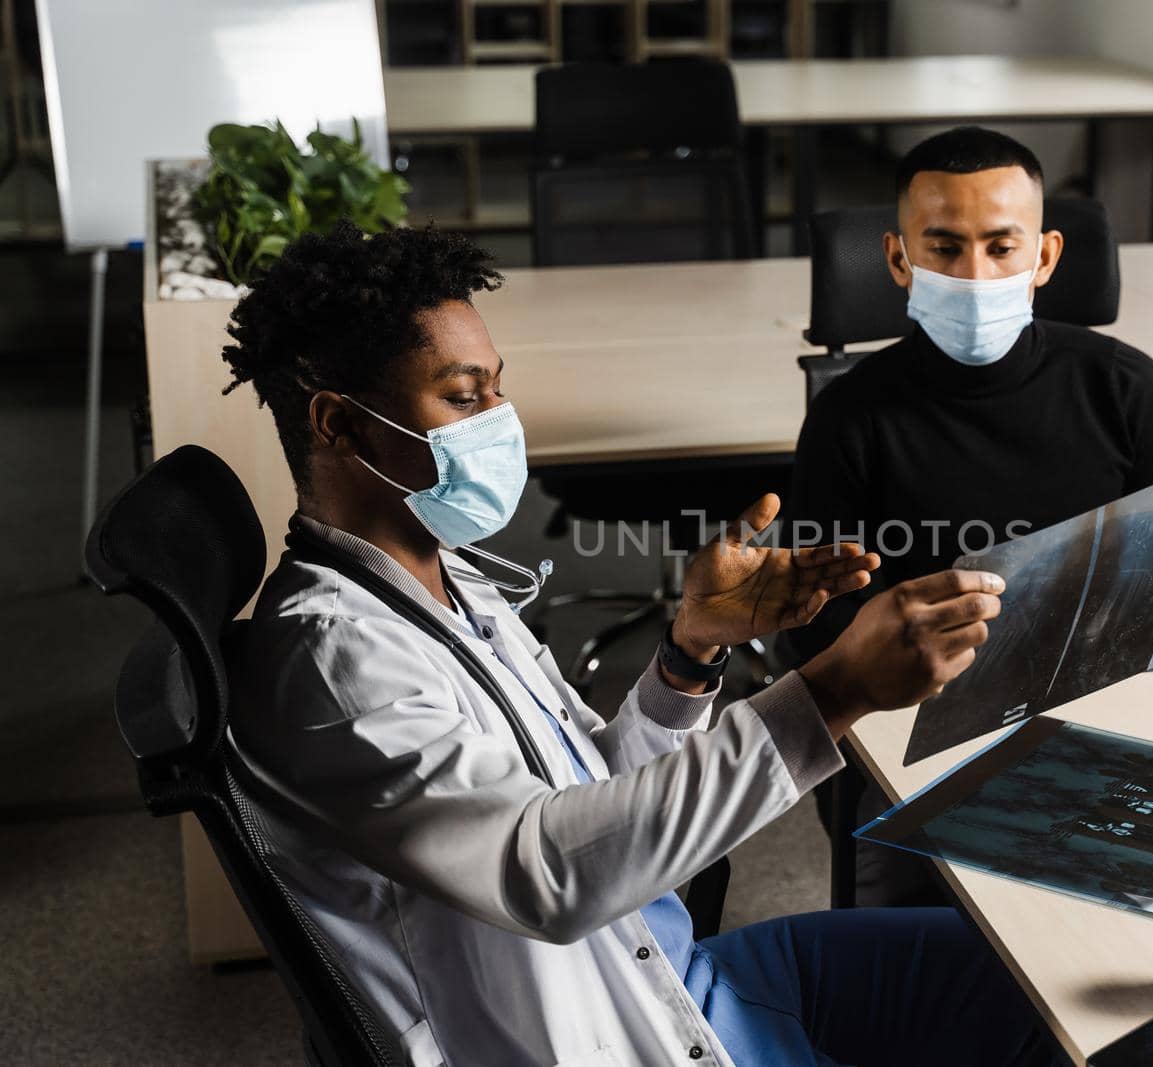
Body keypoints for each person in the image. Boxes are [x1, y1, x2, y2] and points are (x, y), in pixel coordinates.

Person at [221, 221, 1063, 1066]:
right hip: (624, 1037)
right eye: (464, 396)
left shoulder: (443, 579)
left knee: (1033, 974)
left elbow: (589, 794)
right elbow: (549, 871)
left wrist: (688, 657)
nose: (502, 419)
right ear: (339, 423)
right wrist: (833, 690)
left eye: (498, 388)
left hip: (676, 975)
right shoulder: (340, 663)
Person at [780, 126, 1153, 907]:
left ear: (1043, 257)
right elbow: (811, 623)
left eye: (1000, 248)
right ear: (898, 259)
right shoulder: (851, 417)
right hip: (921, 719)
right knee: (941, 941)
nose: (974, 274)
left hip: (1095, 705)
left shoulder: (1127, 390)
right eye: (943, 248)